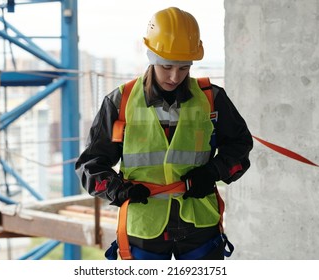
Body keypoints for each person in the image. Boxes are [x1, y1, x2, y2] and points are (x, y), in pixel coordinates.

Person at [75, 7, 253, 260]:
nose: (174, 76)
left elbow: (240, 146)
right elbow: (90, 165)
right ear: (151, 58)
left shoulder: (211, 100)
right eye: (167, 66)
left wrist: (213, 173)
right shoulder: (120, 102)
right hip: (144, 227)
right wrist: (120, 190)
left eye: (183, 68)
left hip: (199, 225)